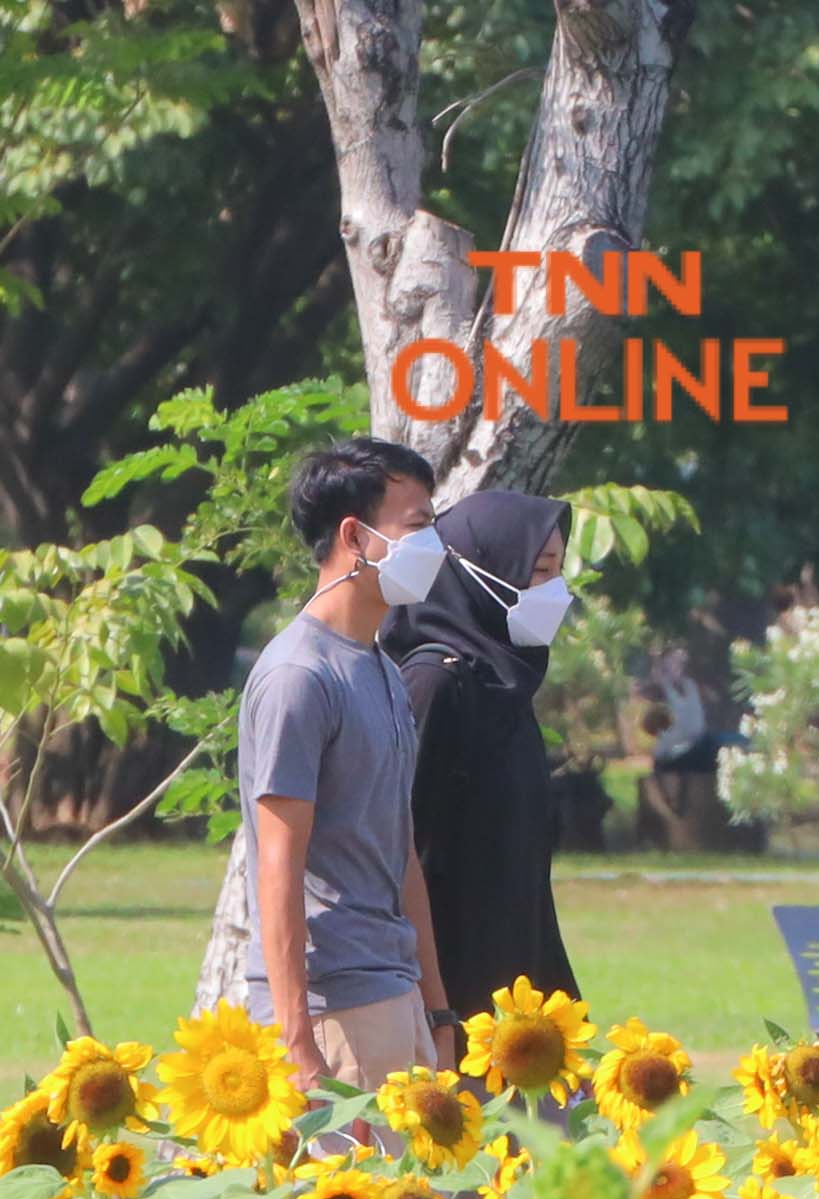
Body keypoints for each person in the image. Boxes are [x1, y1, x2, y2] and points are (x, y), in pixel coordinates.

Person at [238, 437, 455, 1092]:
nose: (433, 546)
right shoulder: (298, 676)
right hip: (336, 1012)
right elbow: (279, 863)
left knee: (419, 1196)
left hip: (395, 993)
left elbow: (400, 852)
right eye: (417, 527)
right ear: (355, 537)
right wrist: (296, 1042)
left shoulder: (382, 669)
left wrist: (439, 1009)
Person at [386, 490, 583, 1016]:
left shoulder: (505, 687)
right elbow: (401, 853)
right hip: (453, 995)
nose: (554, 590)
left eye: (558, 571)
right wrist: (435, 1011)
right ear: (481, 572)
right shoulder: (434, 685)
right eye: (538, 571)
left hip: (519, 990)